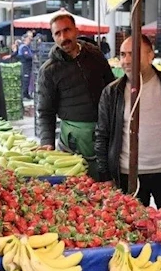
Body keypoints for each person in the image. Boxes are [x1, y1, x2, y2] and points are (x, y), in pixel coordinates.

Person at [95, 35, 161, 211]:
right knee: (131, 230)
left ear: (150, 55)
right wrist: (105, 176)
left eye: (133, 54)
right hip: (127, 174)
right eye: (123, 54)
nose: (126, 60)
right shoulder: (112, 93)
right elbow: (102, 135)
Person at [37, 14, 115, 179]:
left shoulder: (95, 54)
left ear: (76, 31)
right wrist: (47, 142)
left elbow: (111, 87)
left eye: (67, 30)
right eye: (58, 33)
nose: (63, 37)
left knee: (108, 183)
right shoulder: (49, 70)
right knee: (79, 186)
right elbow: (45, 111)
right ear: (53, 37)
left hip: (104, 130)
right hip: (74, 139)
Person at [18, 35, 34, 99]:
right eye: (28, 39)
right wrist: (33, 57)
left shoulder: (27, 47)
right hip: (25, 66)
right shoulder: (24, 47)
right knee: (25, 80)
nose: (29, 40)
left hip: (27, 66)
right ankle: (24, 95)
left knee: (27, 80)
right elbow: (27, 56)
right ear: (24, 40)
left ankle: (26, 94)